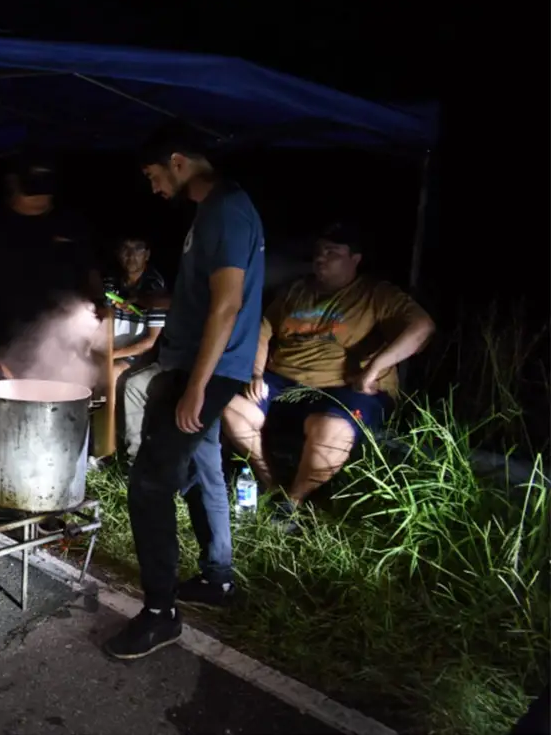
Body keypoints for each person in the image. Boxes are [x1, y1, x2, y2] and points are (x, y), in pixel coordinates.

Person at [105, 122, 265, 660]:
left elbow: (227, 304)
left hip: (205, 371)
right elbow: (204, 299)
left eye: (154, 176)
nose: (153, 188)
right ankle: (217, 579)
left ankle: (159, 613)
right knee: (204, 469)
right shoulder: (216, 209)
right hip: (199, 365)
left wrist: (195, 387)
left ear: (177, 161)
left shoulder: (225, 210)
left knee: (149, 485)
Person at [222, 223, 435, 529]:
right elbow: (262, 331)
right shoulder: (296, 291)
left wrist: (374, 369)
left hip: (342, 388)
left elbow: (422, 327)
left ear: (355, 259)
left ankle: (292, 503)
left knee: (330, 427)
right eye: (319, 252)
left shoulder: (375, 294)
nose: (321, 259)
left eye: (332, 253)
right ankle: (270, 486)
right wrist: (256, 372)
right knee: (230, 405)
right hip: (283, 382)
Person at [0, 151, 102, 493]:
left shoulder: (69, 223)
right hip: (0, 343)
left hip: (59, 348)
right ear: (12, 185)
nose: (40, 199)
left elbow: (89, 272)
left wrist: (98, 302)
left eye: (45, 191)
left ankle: (41, 494)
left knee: (49, 425)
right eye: (32, 190)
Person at [107, 236, 169, 380]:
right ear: (118, 253)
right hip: (111, 347)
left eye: (138, 249)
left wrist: (112, 355)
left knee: (112, 371)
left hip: (137, 354)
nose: (131, 255)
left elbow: (150, 342)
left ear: (147, 255)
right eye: (125, 249)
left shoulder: (154, 287)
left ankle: (110, 403)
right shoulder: (111, 281)